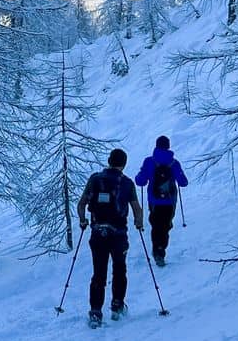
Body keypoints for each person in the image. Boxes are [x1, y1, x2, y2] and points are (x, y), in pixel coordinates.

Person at [77, 148, 143, 328]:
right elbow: (137, 209)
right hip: (119, 235)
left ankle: (96, 312)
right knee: (119, 269)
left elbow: (82, 203)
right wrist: (139, 223)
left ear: (109, 160)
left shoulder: (95, 179)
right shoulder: (127, 183)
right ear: (124, 163)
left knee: (99, 272)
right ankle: (117, 306)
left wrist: (83, 221)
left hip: (98, 233)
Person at [135, 135, 187, 266]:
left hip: (154, 201)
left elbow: (140, 181)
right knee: (165, 227)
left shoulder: (149, 161)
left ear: (156, 146)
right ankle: (161, 250)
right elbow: (183, 182)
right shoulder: (174, 163)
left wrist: (140, 175)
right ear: (169, 147)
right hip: (170, 201)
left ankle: (156, 250)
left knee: (156, 225)